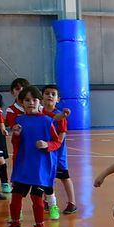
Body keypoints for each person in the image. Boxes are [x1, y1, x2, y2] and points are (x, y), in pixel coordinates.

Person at [2, 86, 61, 227]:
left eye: (34, 100)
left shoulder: (47, 121)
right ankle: (15, 223)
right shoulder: (19, 121)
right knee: (15, 196)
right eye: (27, 100)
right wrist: (15, 135)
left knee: (37, 197)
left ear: (39, 101)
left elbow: (57, 142)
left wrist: (46, 145)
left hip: (40, 167)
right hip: (24, 165)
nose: (31, 103)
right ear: (22, 102)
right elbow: (16, 144)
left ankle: (40, 226)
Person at [41, 84, 77, 218]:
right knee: (46, 177)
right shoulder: (39, 114)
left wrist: (52, 146)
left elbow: (62, 136)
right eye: (47, 93)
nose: (49, 96)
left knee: (64, 177)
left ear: (58, 99)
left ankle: (72, 203)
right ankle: (47, 200)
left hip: (57, 152)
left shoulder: (60, 115)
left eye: (53, 94)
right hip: (44, 151)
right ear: (42, 97)